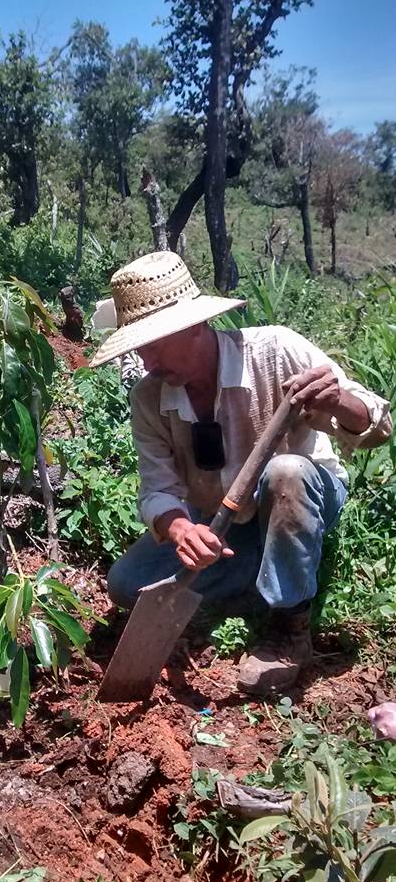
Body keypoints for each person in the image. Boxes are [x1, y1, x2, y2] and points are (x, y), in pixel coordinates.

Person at [90, 251, 393, 696]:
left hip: (299, 495)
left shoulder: (274, 350)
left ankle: (289, 622)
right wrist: (179, 530)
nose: (148, 362)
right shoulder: (149, 397)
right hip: (220, 514)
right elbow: (157, 487)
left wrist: (335, 402)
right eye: (140, 348)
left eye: (153, 345)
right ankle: (260, 570)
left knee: (286, 471)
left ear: (193, 325)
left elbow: (378, 426)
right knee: (125, 585)